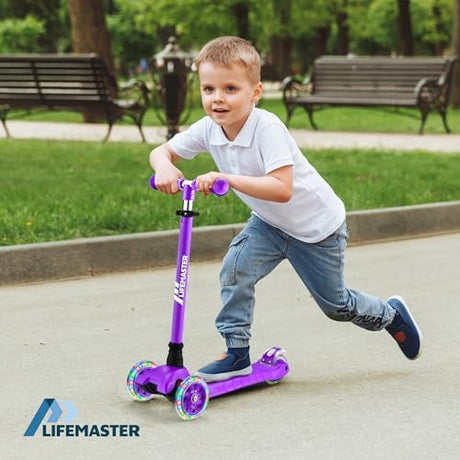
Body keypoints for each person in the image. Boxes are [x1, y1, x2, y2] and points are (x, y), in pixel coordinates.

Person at [149, 36, 423, 382]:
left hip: (316, 229)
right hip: (269, 224)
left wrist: (226, 178)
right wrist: (164, 166)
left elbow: (282, 188)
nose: (217, 98)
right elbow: (162, 151)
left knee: (337, 306)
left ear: (255, 92)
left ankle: (390, 315)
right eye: (208, 89)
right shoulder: (209, 129)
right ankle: (236, 352)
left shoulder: (267, 129)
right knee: (235, 270)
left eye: (230, 88)